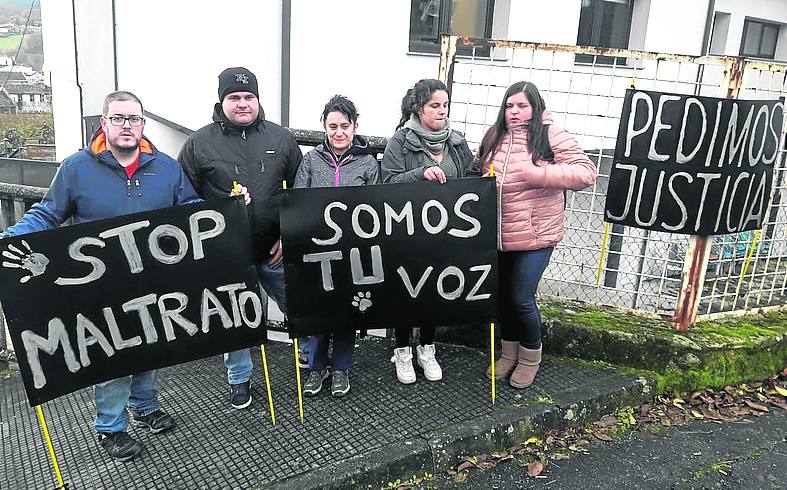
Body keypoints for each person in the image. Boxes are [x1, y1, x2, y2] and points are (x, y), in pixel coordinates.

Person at [0, 91, 247, 462]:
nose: (127, 126)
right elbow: (48, 214)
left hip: (152, 279)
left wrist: (226, 208)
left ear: (143, 124)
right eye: (118, 118)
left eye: (134, 119)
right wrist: (9, 238)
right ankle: (111, 428)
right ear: (104, 123)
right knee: (113, 355)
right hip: (101, 284)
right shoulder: (75, 168)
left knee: (149, 344)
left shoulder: (166, 167)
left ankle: (144, 407)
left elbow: (191, 210)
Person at [178, 67, 303, 410]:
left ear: (259, 100)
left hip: (275, 249)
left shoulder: (282, 140)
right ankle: (240, 381)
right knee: (237, 319)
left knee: (301, 305)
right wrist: (214, 220)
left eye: (249, 97)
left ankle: (309, 362)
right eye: (234, 97)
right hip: (227, 254)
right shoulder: (198, 143)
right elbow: (182, 198)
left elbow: (302, 191)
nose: (243, 104)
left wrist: (290, 235)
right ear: (222, 101)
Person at [478, 81, 597, 389]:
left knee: (520, 298)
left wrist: (542, 174)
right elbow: (481, 173)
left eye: (522, 106)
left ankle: (530, 358)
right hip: (499, 235)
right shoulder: (495, 136)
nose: (514, 112)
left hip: (536, 235)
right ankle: (508, 353)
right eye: (509, 106)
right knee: (503, 298)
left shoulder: (549, 134)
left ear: (536, 107)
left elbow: (587, 172)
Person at [381, 78, 477, 385]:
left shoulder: (458, 142)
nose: (442, 111)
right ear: (418, 108)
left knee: (435, 289)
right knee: (406, 290)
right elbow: (388, 183)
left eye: (445, 105)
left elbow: (472, 179)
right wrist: (420, 173)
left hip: (446, 234)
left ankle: (427, 347)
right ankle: (402, 350)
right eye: (435, 106)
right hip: (408, 233)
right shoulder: (400, 141)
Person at [295, 95, 380, 398]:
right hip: (318, 251)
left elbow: (375, 210)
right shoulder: (310, 161)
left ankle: (341, 368)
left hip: (352, 252)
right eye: (333, 126)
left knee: (346, 311)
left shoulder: (368, 163)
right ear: (324, 127)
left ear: (355, 126)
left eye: (345, 125)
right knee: (320, 313)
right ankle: (316, 368)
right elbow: (297, 203)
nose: (339, 132)